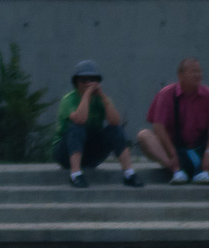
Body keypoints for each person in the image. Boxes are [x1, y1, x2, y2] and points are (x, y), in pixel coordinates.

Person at [136, 58, 209, 184]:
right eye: (193, 71)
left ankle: (205, 171)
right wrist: (172, 154)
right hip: (174, 148)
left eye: (199, 71)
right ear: (180, 75)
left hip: (201, 148)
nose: (198, 75)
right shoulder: (166, 94)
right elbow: (158, 127)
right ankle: (176, 171)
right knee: (144, 135)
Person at [52, 60, 144, 189]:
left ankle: (129, 173)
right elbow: (80, 119)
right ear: (77, 82)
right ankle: (76, 174)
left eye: (93, 80)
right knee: (77, 128)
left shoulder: (101, 99)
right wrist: (87, 95)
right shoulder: (69, 99)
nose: (88, 84)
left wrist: (103, 97)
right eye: (84, 80)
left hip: (91, 153)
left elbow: (115, 121)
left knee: (115, 129)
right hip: (66, 153)